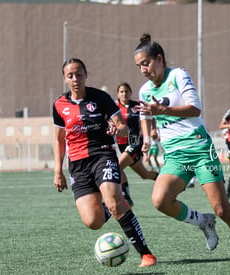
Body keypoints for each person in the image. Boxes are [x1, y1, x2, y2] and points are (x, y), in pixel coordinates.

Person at [133, 34, 230, 271]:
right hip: (174, 156)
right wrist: (145, 138)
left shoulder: (178, 75)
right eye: (139, 66)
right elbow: (144, 115)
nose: (143, 69)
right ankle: (203, 222)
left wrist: (162, 109)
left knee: (222, 209)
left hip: (200, 149)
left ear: (159, 58)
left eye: (146, 63)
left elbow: (195, 109)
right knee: (160, 201)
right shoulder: (144, 91)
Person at [52, 58, 157, 267]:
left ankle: (146, 254)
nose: (75, 79)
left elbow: (124, 127)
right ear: (64, 78)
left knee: (115, 201)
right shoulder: (59, 105)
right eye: (70, 75)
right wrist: (58, 171)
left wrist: (118, 129)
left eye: (79, 74)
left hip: (102, 155)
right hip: (78, 165)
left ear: (86, 75)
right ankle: (113, 205)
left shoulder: (101, 98)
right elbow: (58, 140)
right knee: (94, 222)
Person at [115, 82, 158, 206]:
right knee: (145, 175)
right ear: (118, 94)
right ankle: (165, 179)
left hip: (135, 143)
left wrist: (153, 129)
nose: (124, 94)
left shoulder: (137, 105)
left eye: (126, 91)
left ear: (130, 92)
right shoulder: (114, 107)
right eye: (121, 92)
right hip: (121, 145)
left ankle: (125, 196)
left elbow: (151, 115)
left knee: (117, 167)